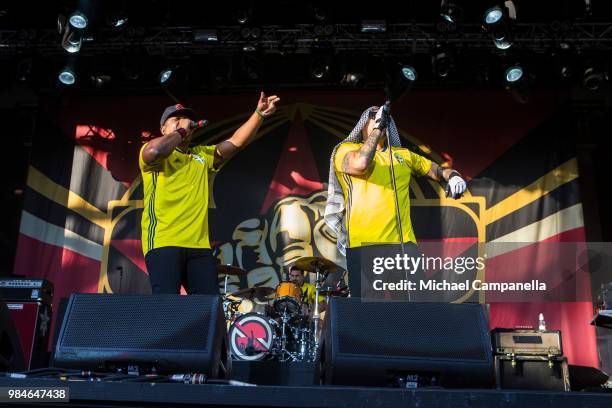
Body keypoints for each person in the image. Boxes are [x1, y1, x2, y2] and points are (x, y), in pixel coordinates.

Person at [139, 92, 280, 294]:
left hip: (199, 246)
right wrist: (180, 131)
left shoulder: (201, 156)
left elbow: (236, 142)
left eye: (186, 120)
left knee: (208, 308)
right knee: (167, 307)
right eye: (176, 120)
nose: (183, 123)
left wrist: (259, 114)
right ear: (163, 128)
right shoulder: (155, 153)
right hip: (163, 241)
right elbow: (153, 152)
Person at [324, 106, 466, 298]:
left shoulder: (404, 155)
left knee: (416, 306)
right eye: (372, 119)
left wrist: (454, 176)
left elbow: (437, 170)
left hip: (403, 245)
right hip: (363, 244)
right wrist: (377, 128)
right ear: (363, 125)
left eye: (382, 119)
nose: (379, 122)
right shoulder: (346, 150)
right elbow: (360, 164)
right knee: (368, 311)